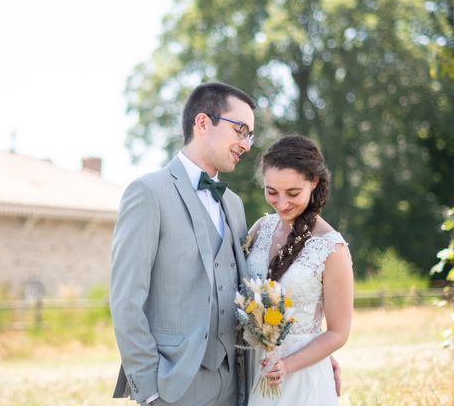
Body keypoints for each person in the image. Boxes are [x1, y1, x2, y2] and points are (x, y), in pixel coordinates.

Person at [110, 81, 256, 406]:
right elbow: (126, 300)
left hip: (234, 384)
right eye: (241, 130)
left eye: (250, 135)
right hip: (173, 386)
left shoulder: (234, 204)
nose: (246, 144)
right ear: (203, 123)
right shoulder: (148, 193)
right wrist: (149, 391)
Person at [244, 134, 353, 405]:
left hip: (301, 376)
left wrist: (288, 364)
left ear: (313, 182)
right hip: (252, 366)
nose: (281, 203)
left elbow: (338, 333)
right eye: (272, 192)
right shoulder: (260, 228)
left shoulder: (332, 249)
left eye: (293, 193)